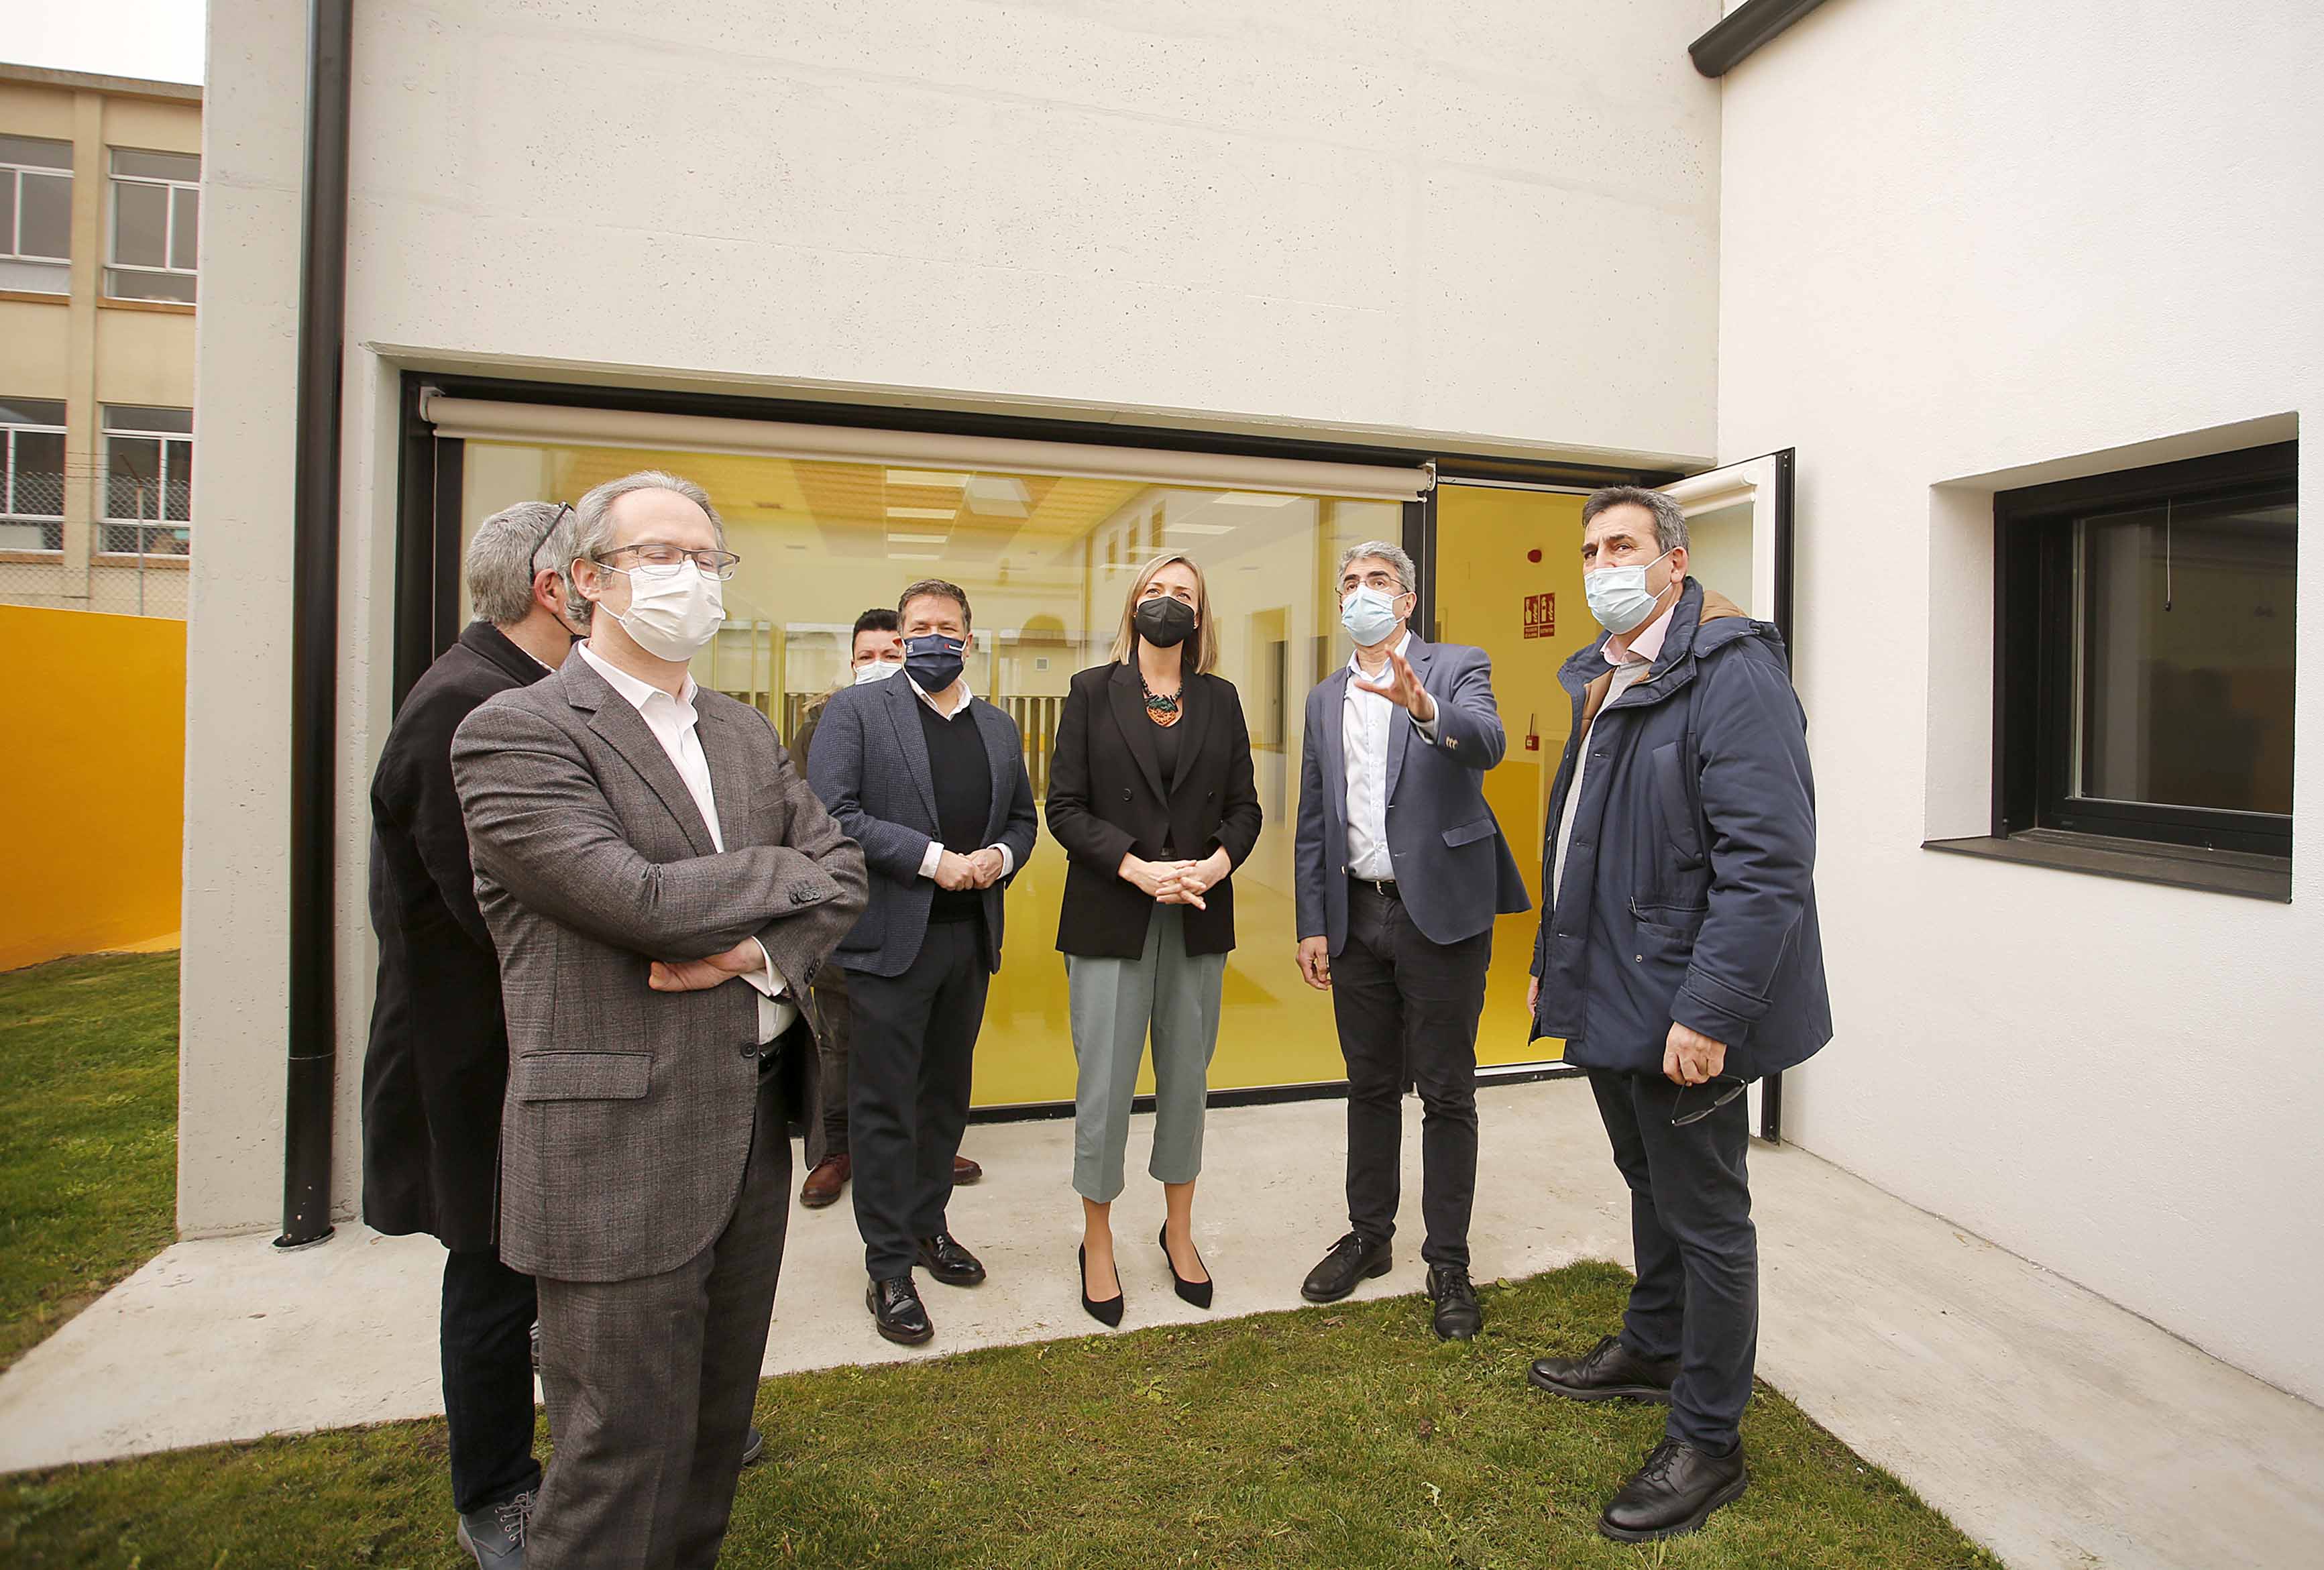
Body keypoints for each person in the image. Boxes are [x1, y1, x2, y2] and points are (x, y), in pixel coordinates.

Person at [451, 471, 866, 1570]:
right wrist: (784, 874)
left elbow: (846, 873)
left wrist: (755, 946)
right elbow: (630, 899)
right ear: (586, 579)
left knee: (710, 1442)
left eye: (705, 558)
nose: (690, 578)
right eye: (660, 555)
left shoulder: (738, 732)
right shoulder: (516, 734)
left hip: (747, 1140)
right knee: (614, 1456)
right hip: (615, 1149)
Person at [1522, 486, 1830, 1544]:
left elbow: (1770, 863)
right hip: (1609, 984)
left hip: (1678, 1003)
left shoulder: (1731, 673)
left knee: (1708, 1217)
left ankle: (1709, 1436)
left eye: (1622, 546)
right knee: (1645, 1178)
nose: (1602, 563)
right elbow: (1579, 834)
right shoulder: (1610, 672)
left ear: (1675, 560)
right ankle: (1653, 1345)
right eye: (1590, 549)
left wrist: (1707, 1012)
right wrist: (1543, 961)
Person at [361, 500, 579, 1566]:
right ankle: (497, 1491)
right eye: (604, 566)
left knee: (566, 1269)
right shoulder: (467, 707)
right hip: (479, 1058)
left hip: (540, 1050)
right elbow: (496, 912)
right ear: (554, 588)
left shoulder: (524, 689)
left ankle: (607, 1441)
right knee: (494, 1276)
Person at [1292, 541, 1529, 1341]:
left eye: (1378, 582)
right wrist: (1313, 923)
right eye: (1350, 583)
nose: (1362, 593)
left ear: (1407, 602)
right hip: (1357, 916)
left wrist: (1422, 707)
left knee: (1447, 1091)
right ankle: (1369, 1236)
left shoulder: (1456, 665)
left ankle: (1449, 1259)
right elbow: (1314, 819)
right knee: (1367, 1087)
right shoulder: (1324, 697)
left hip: (1442, 913)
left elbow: (1488, 743)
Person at [806, 578, 1038, 1346]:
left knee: (944, 1096)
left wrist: (1000, 856)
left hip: (967, 938)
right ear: (901, 639)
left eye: (946, 626)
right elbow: (834, 814)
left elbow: (1022, 819)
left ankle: (930, 1224)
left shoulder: (998, 727)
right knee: (884, 1105)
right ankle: (888, 1265)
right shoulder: (859, 712)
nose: (931, 637)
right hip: (889, 941)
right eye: (917, 627)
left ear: (968, 639)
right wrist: (936, 860)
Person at [1044, 553, 1262, 1326]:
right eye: (1156, 591)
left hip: (1197, 913)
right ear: (1135, 604)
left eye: (1184, 595)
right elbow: (1064, 807)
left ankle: (1178, 1229)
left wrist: (1213, 863)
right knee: (1104, 1084)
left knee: (1186, 1082)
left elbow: (1246, 807)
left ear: (1200, 617)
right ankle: (1096, 1240)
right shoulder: (1089, 692)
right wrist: (1136, 868)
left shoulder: (1220, 699)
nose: (1168, 604)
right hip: (1114, 911)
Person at [790, 609, 983, 1208]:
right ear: (850, 661)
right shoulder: (824, 722)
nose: (877, 665)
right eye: (865, 655)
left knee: (922, 1044)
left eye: (889, 654)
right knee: (841, 1042)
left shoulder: (948, 721)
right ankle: (836, 1149)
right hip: (845, 910)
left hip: (919, 912)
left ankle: (924, 1145)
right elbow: (814, 815)